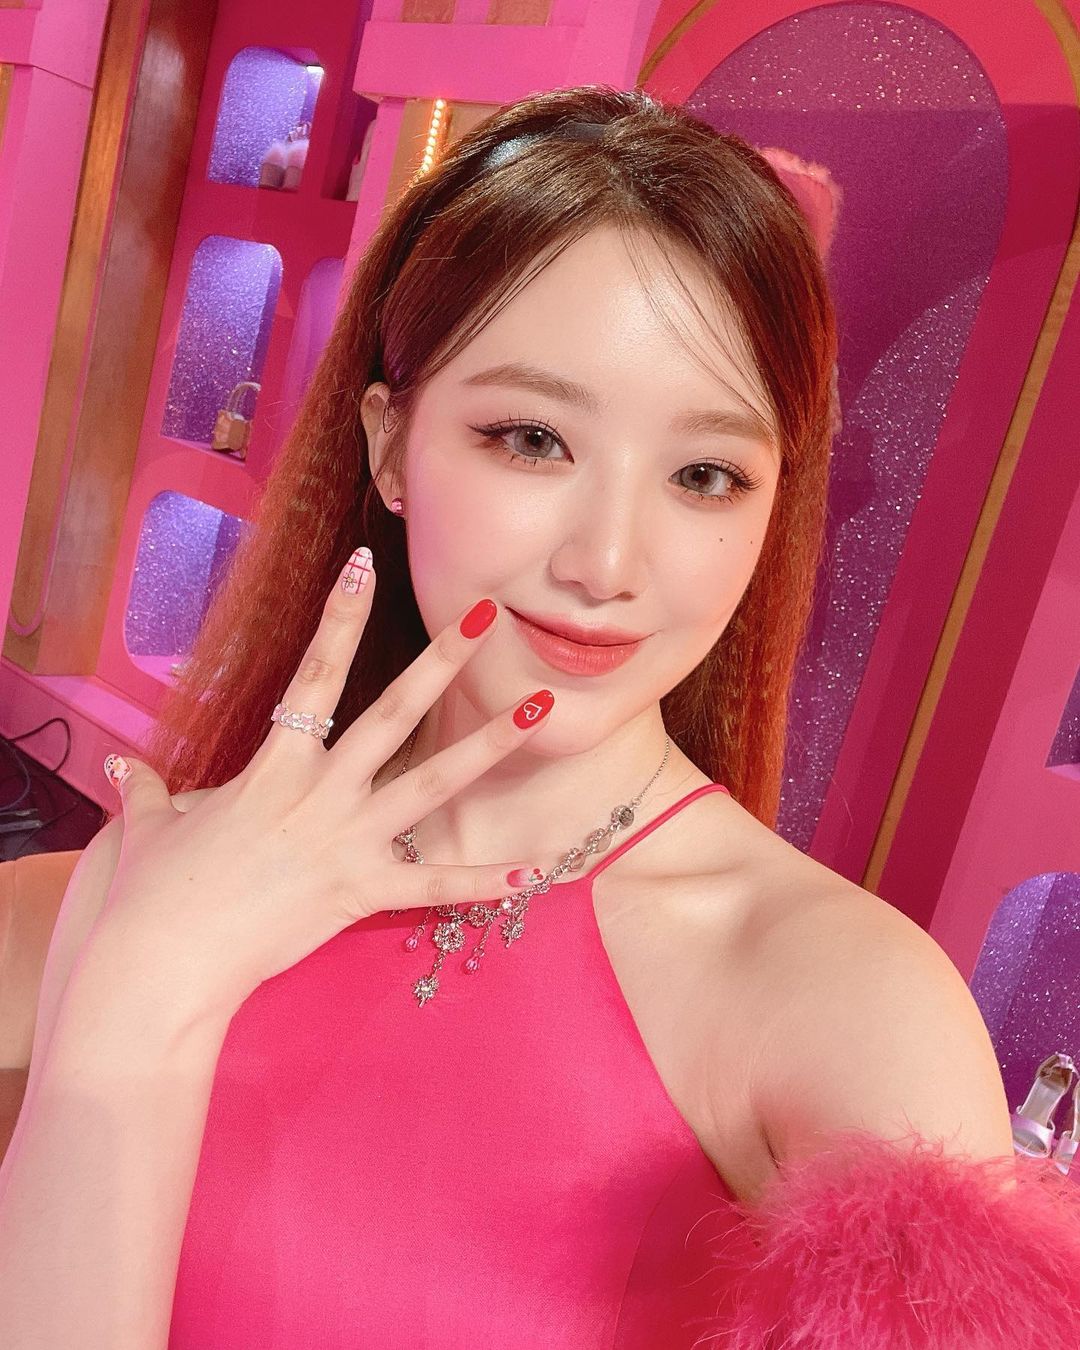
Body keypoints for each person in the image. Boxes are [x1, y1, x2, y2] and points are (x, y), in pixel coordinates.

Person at [2, 83, 1079, 1349]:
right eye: (530, 439)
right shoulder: (146, 886)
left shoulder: (844, 1001)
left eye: (705, 474)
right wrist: (139, 997)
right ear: (390, 446)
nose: (607, 564)